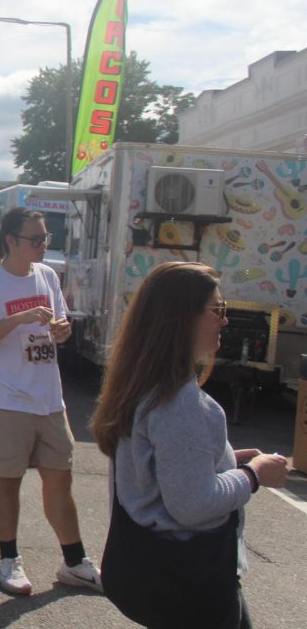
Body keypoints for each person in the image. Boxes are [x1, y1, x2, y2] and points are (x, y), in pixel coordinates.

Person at [91, 262, 289, 627]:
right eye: (218, 310)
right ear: (182, 319)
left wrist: (227, 459)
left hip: (147, 572)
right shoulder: (183, 404)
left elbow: (165, 470)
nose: (225, 320)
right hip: (190, 584)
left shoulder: (140, 388)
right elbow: (194, 505)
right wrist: (253, 474)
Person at [0, 207, 100, 596]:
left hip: (48, 396)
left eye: (45, 239)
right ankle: (8, 560)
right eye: (35, 239)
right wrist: (17, 320)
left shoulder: (47, 276)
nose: (42, 245)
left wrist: (62, 331)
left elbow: (59, 327)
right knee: (8, 478)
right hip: (6, 395)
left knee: (61, 477)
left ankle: (74, 562)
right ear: (11, 241)